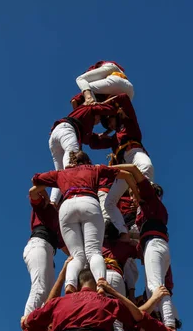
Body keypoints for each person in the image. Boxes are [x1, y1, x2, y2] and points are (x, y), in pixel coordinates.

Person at [31, 150, 139, 293]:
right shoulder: (94, 169)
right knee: (94, 252)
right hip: (89, 202)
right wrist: (137, 195)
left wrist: (47, 190)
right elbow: (127, 175)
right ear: (87, 161)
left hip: (67, 206)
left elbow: (35, 181)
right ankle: (100, 284)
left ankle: (70, 285)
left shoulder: (61, 174)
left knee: (77, 255)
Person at [89, 93, 153, 236]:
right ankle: (123, 231)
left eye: (110, 121)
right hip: (124, 164)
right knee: (109, 203)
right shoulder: (113, 141)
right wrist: (104, 133)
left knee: (146, 167)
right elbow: (92, 143)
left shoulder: (130, 124)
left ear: (116, 115)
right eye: (108, 124)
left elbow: (123, 97)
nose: (110, 125)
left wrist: (102, 104)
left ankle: (143, 215)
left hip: (135, 154)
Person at [119, 165, 175, 328]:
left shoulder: (150, 200)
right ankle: (167, 323)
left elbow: (134, 170)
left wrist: (112, 170)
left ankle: (169, 325)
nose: (133, 200)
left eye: (133, 196)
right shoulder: (155, 212)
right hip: (158, 244)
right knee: (154, 288)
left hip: (154, 244)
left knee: (155, 286)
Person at [48, 98, 116, 205]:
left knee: (59, 172)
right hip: (67, 130)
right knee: (73, 159)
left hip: (56, 135)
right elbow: (108, 109)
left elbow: (93, 142)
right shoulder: (88, 109)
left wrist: (108, 135)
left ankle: (53, 202)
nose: (97, 123)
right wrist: (116, 108)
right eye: (100, 118)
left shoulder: (85, 126)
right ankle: (73, 189)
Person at [22, 187, 66, 318]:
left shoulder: (59, 221)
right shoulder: (44, 206)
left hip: (46, 249)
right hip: (39, 245)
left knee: (49, 297)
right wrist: (46, 197)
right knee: (40, 287)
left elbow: (66, 248)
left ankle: (39, 328)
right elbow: (33, 190)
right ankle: (28, 323)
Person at [103, 222, 139, 331]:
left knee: (101, 316)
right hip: (117, 276)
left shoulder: (99, 243)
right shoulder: (123, 246)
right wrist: (129, 237)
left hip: (101, 276)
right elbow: (139, 248)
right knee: (117, 323)